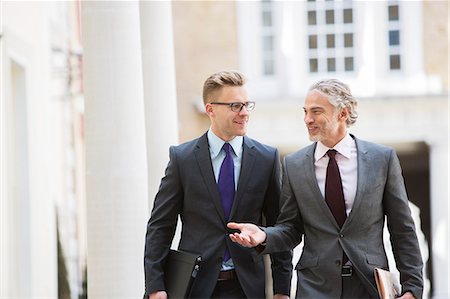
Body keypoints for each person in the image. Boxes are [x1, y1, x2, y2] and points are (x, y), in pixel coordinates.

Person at [228, 79, 423, 299]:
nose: (307, 119)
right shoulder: (294, 164)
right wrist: (263, 235)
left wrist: (412, 289)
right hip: (315, 287)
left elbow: (402, 229)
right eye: (305, 111)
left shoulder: (381, 159)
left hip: (369, 285)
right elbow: (290, 228)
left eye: (316, 111)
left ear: (343, 113)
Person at [143, 70, 292, 299]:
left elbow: (278, 226)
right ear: (210, 109)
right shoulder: (182, 159)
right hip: (194, 287)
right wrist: (155, 286)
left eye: (247, 105)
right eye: (235, 106)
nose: (244, 113)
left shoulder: (266, 158)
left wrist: (282, 289)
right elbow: (160, 226)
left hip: (247, 288)